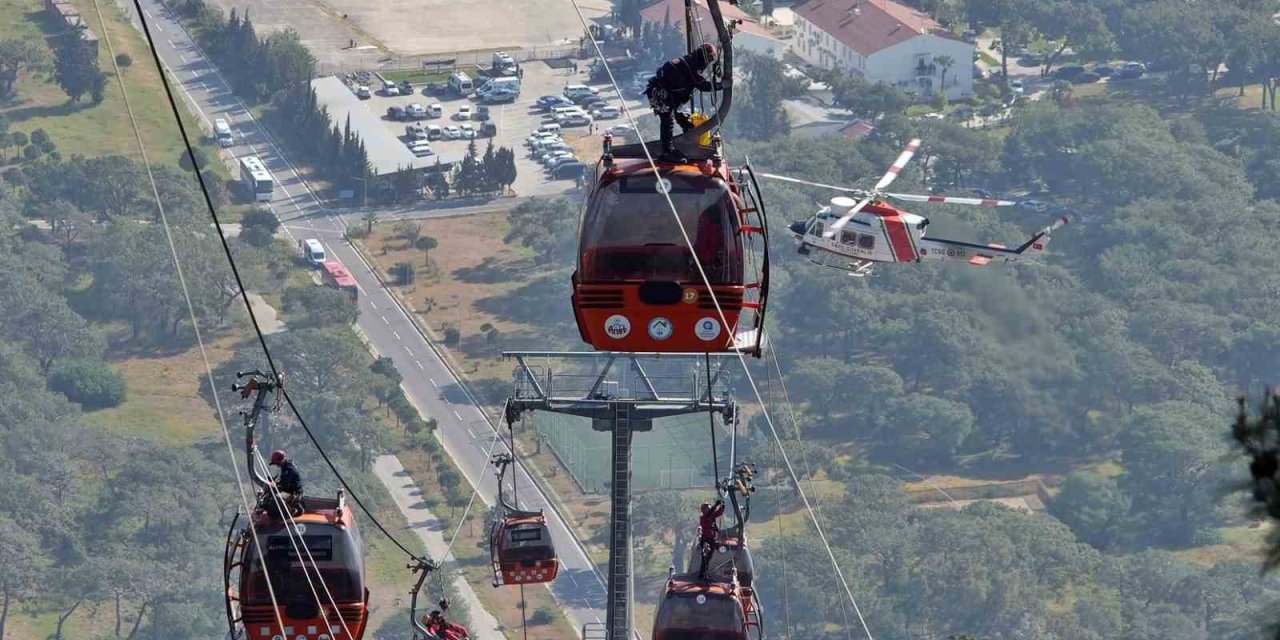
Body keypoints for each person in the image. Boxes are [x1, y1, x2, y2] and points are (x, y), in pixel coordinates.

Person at [645, 43, 726, 162]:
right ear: (702, 57)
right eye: (707, 60)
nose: (707, 64)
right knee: (667, 120)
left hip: (663, 93)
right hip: (660, 93)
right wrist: (722, 85)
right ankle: (667, 152)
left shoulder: (689, 62)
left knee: (677, 116)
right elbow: (702, 85)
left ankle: (685, 134)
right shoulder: (691, 65)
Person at [696, 499, 725, 579]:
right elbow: (710, 513)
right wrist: (716, 504)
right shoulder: (704, 517)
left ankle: (704, 573)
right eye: (707, 508)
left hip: (711, 539)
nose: (708, 509)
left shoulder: (711, 516)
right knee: (706, 557)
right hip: (706, 540)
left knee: (708, 558)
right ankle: (702, 574)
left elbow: (718, 513)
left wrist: (722, 507)